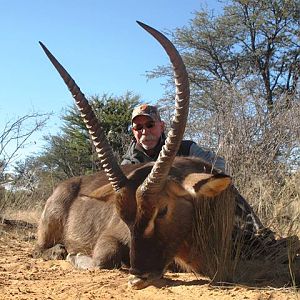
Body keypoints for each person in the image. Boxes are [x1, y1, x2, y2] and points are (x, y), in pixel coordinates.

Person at [122, 104, 276, 253]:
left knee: (226, 187)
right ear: (134, 131)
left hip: (192, 206)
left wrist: (188, 180)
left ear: (161, 126)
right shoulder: (128, 164)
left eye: (150, 125)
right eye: (138, 127)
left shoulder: (185, 148)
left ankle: (260, 235)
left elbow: (220, 166)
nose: (144, 131)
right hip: (157, 218)